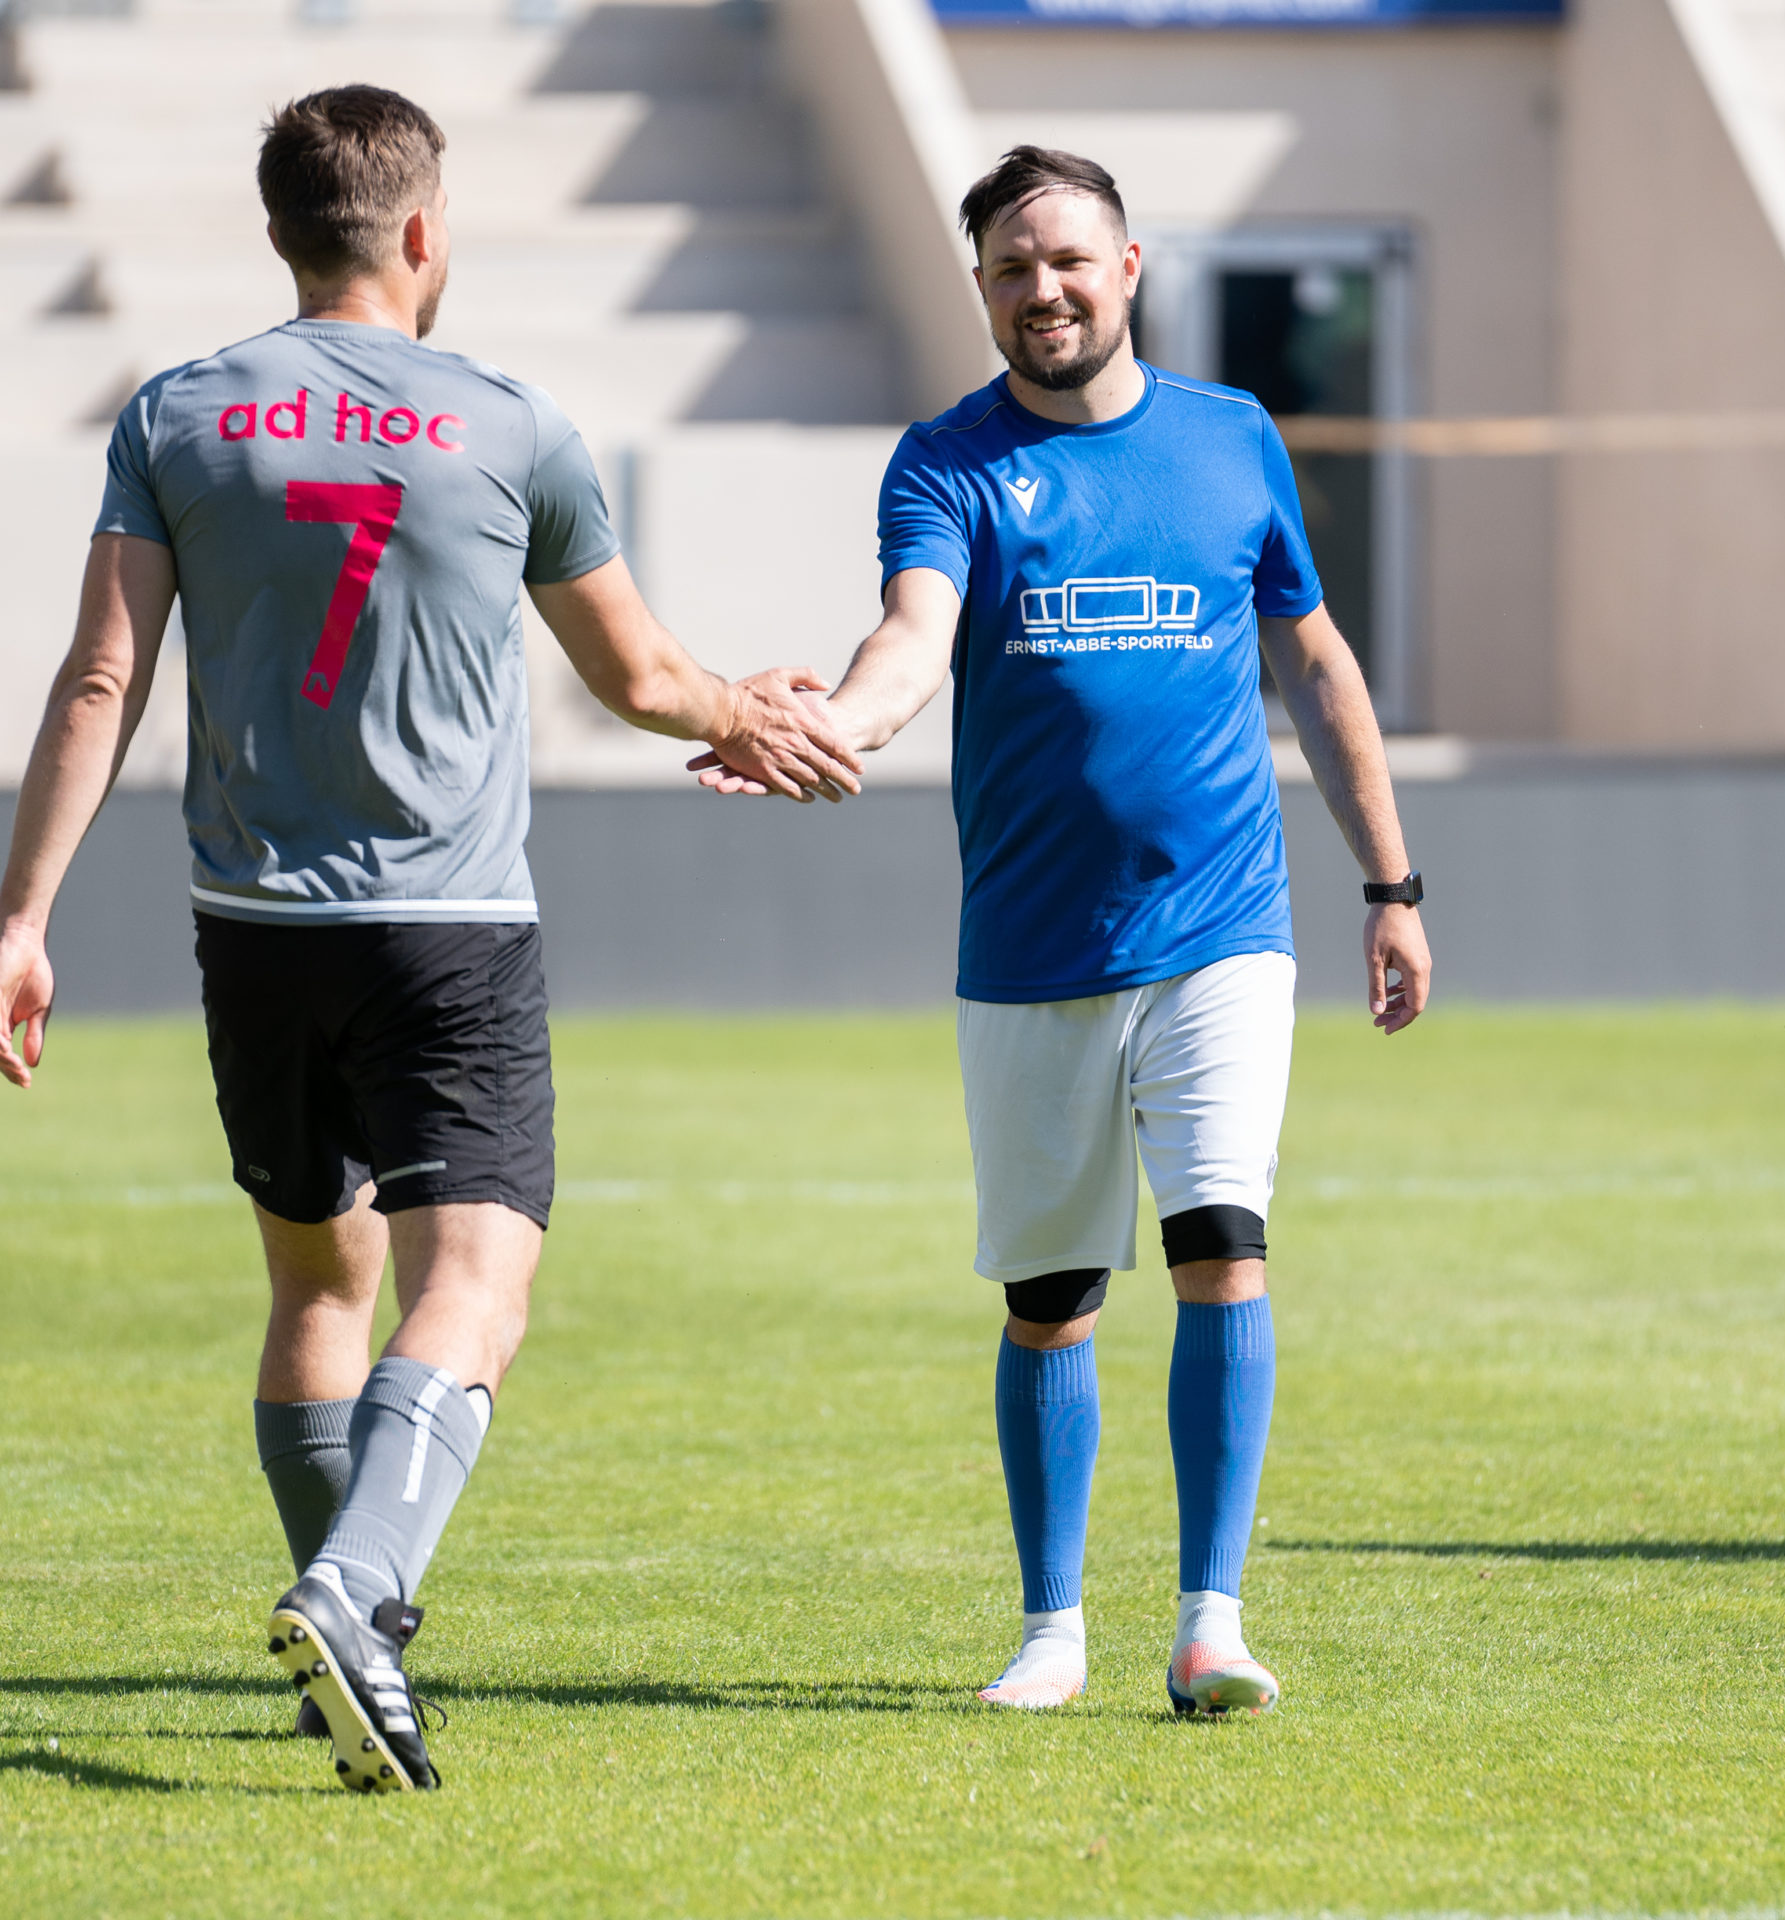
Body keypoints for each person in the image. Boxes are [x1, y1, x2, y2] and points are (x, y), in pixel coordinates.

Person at [0, 84, 863, 1793]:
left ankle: (352, 1646)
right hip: (447, 932)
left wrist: (25, 917)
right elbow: (637, 678)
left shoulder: (177, 414)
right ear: (425, 230)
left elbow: (102, 678)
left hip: (254, 932)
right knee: (477, 1286)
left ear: (282, 233)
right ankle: (357, 1589)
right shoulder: (511, 424)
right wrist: (749, 713)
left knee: (320, 1283)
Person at [695, 145, 1431, 1716]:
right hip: (1031, 947)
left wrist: (1391, 883)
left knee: (1223, 1244)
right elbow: (913, 639)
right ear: (982, 291)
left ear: (1129, 267)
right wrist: (832, 728)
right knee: (1053, 1302)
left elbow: (1316, 663)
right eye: (1014, 269)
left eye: (1070, 260)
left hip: (1223, 924)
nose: (1046, 289)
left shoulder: (1233, 439)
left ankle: (1212, 1624)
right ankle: (1053, 1631)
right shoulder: (946, 463)